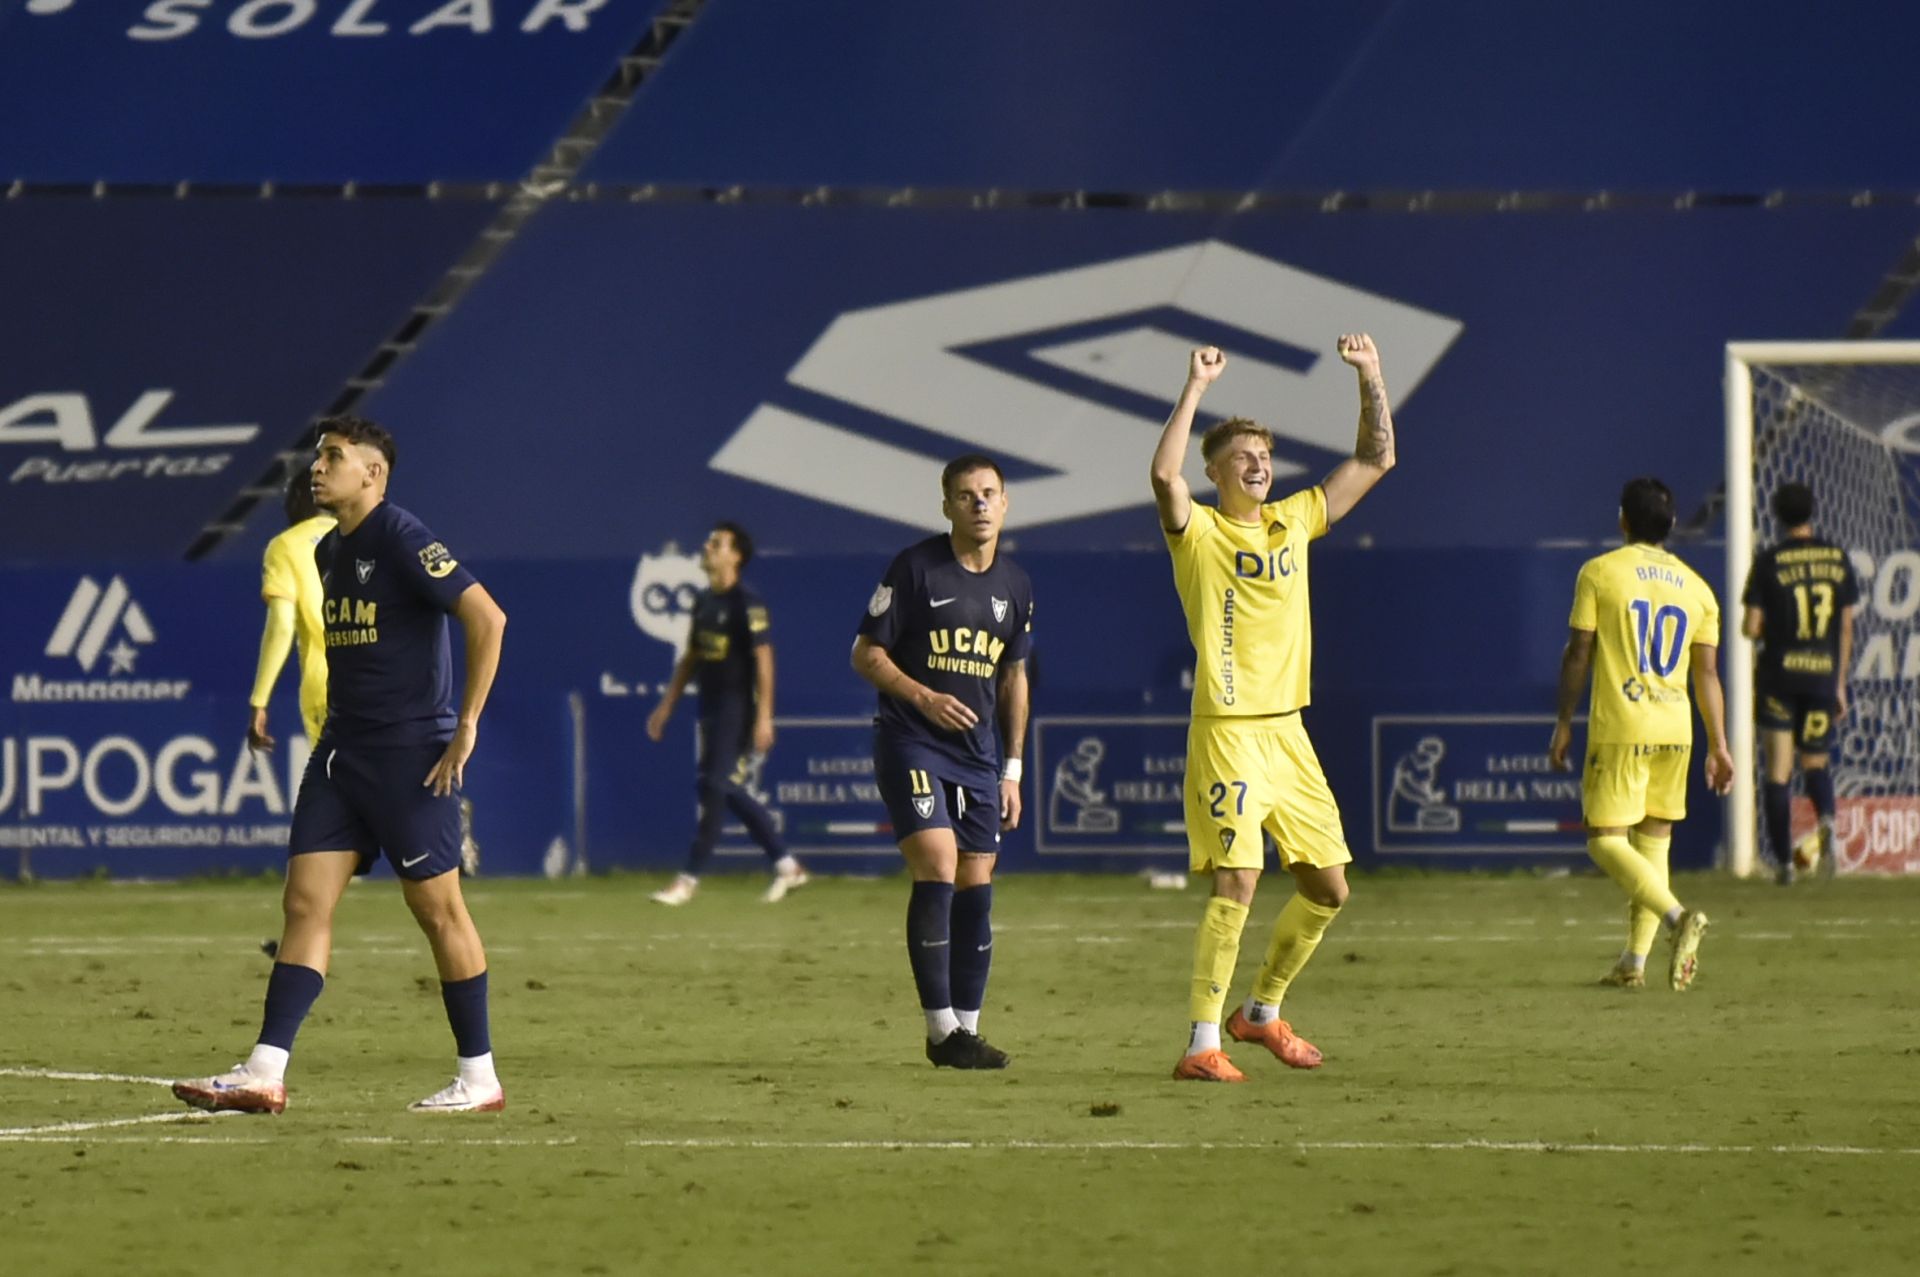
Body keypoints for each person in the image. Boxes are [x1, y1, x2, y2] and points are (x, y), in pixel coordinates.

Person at [172, 414, 509, 1114]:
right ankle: (266, 1069)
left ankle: (479, 1077)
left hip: (409, 754)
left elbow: (488, 618)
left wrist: (467, 724)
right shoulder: (329, 550)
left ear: (373, 473)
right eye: (317, 456)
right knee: (303, 901)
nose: (316, 468)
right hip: (340, 752)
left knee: (437, 907)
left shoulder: (404, 536)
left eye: (332, 456)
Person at [1154, 337, 1393, 1084]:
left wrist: (1371, 374)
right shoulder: (1200, 534)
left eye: (1263, 453)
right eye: (1241, 456)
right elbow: (1164, 475)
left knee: (1329, 886)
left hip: (1289, 731)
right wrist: (1194, 387)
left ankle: (1259, 1013)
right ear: (1216, 472)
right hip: (1227, 731)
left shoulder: (1297, 519)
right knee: (1239, 882)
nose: (1257, 463)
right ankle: (1200, 1044)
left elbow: (1377, 458)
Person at [851, 454, 1032, 1069]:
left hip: (979, 757)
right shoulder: (915, 569)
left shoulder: (1016, 586)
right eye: (965, 495)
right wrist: (924, 697)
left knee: (976, 884)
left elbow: (1013, 677)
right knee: (938, 861)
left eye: (988, 493)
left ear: (1005, 503)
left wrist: (1012, 769)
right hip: (911, 739)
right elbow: (865, 653)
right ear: (947, 506)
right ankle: (938, 1029)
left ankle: (966, 1034)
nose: (979, 504)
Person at [1548, 476, 1731, 991]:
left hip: (1624, 723)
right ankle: (1633, 962)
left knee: (1604, 841)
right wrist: (1719, 744)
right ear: (1671, 525)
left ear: (1622, 519)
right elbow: (1708, 675)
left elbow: (1579, 651)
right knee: (1653, 842)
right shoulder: (1698, 589)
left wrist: (1563, 721)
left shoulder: (1600, 573)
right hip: (1678, 728)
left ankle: (1678, 920)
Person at [646, 521, 808, 905]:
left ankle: (687, 879)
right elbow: (692, 657)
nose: (706, 547)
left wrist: (765, 716)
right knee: (719, 787)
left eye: (716, 543)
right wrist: (665, 706)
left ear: (735, 556)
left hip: (739, 709)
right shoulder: (704, 601)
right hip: (711, 708)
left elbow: (764, 661)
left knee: (716, 787)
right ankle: (787, 865)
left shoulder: (746, 602)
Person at [1741, 481, 1858, 884]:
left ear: (1777, 515)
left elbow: (1751, 625)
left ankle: (1784, 864)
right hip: (1822, 676)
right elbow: (1845, 626)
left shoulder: (1770, 560)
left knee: (1778, 771)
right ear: (1812, 512)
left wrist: (1774, 628)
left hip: (1779, 678)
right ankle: (1826, 826)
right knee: (1816, 763)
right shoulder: (1837, 558)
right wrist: (1839, 683)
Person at [247, 465, 335, 752]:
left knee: (346, 791)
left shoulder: (287, 545)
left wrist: (259, 700)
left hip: (330, 688)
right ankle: (434, 798)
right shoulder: (367, 535)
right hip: (390, 685)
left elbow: (282, 625)